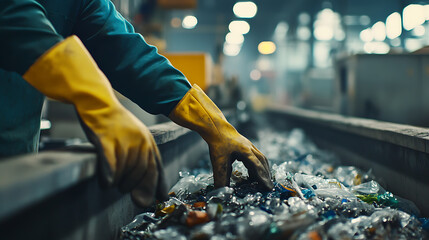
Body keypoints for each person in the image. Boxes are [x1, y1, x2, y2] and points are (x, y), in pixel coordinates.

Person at [0, 0, 273, 206]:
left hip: (16, 165)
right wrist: (94, 97)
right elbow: (14, 18)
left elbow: (125, 51)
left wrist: (213, 124)